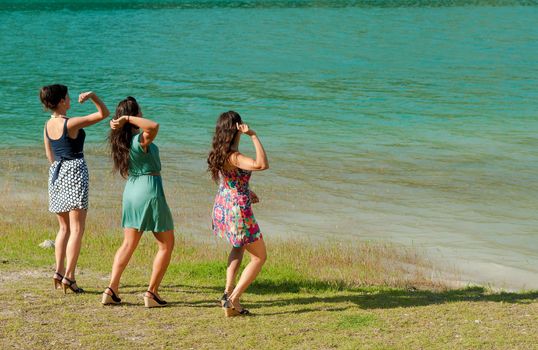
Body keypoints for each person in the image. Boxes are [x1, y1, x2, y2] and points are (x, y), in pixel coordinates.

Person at [102, 96, 174, 308]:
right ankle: (152, 293)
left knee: (128, 244)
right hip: (149, 190)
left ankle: (112, 288)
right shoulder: (139, 140)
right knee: (166, 244)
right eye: (138, 112)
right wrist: (127, 118)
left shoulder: (121, 141)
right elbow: (154, 126)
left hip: (131, 191)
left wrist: (122, 121)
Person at [41, 84, 109, 294]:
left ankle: (59, 271)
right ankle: (69, 277)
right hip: (74, 171)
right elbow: (103, 114)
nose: (70, 100)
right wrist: (93, 96)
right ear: (61, 101)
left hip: (57, 173)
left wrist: (58, 172)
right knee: (77, 228)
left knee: (63, 228)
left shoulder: (47, 125)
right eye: (67, 98)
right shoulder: (70, 124)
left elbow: (50, 156)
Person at [207, 111, 269, 317]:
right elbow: (262, 164)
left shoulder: (221, 153)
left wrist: (246, 190)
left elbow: (231, 179)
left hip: (224, 205)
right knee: (259, 257)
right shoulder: (235, 156)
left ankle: (227, 293)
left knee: (238, 246)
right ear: (236, 129)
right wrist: (253, 135)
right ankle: (233, 299)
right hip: (238, 211)